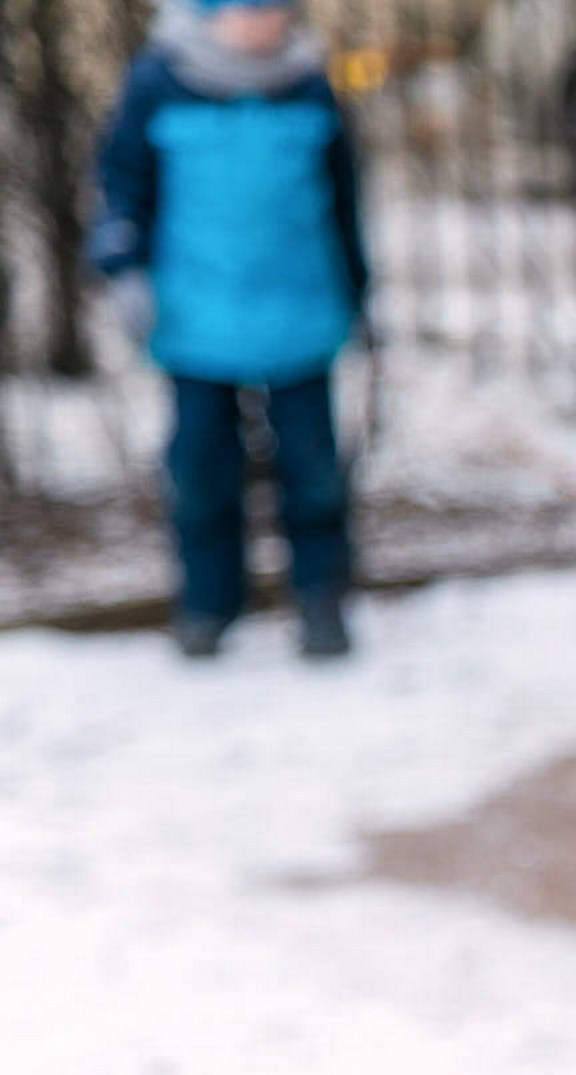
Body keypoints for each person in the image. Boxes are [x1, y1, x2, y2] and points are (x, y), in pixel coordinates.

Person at [89, 0, 368, 659]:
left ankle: (320, 598)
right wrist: (123, 266)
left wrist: (359, 289)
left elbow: (345, 197)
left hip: (299, 311)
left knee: (315, 470)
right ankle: (208, 604)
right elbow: (119, 184)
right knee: (202, 470)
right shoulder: (158, 80)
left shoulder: (308, 82)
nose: (262, 21)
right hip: (195, 316)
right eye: (246, 8)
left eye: (274, 8)